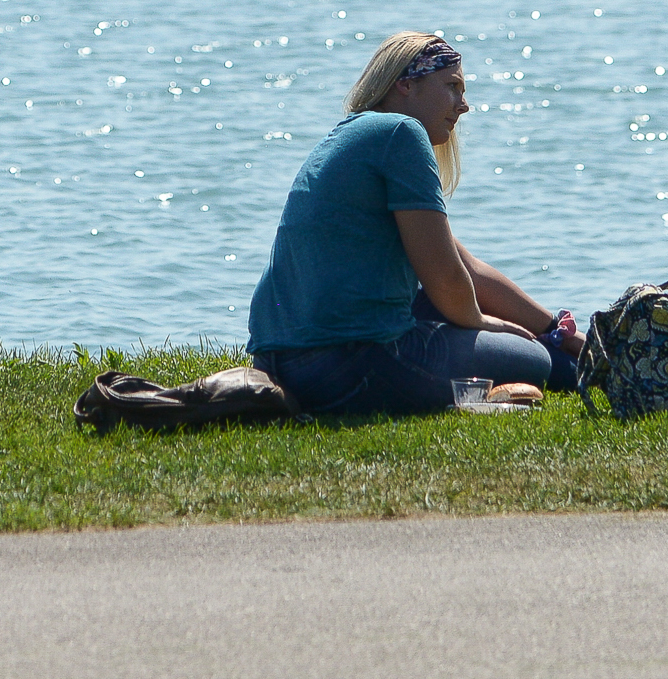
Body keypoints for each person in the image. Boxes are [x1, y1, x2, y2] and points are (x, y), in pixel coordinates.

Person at [246, 31, 582, 418]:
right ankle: (592, 372)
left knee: (527, 340)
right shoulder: (401, 134)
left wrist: (557, 328)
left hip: (279, 367)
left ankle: (584, 361)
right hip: (352, 366)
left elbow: (466, 269)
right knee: (535, 360)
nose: (465, 105)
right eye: (452, 87)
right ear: (406, 84)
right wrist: (487, 325)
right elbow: (446, 279)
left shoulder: (353, 134)